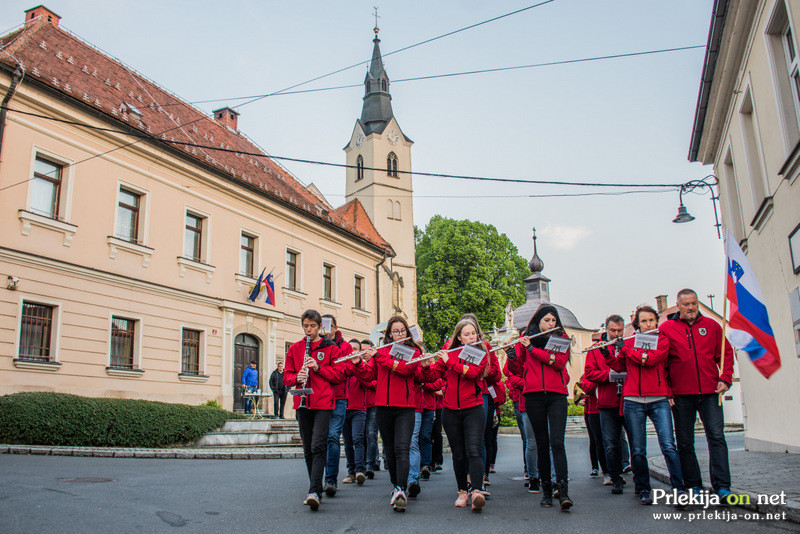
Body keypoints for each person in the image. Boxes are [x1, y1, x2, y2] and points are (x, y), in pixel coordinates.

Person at [604, 306, 685, 505]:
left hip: (658, 399)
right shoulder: (631, 342)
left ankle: (679, 489)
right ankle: (642, 489)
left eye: (651, 320)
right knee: (638, 449)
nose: (648, 324)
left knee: (668, 446)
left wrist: (626, 349)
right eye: (644, 321)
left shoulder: (662, 340)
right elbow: (620, 366)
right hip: (633, 400)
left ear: (656, 321)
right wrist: (608, 353)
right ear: (637, 325)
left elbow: (650, 360)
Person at [661, 289, 734, 498]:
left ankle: (722, 486)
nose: (691, 307)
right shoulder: (667, 329)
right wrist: (667, 391)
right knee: (685, 442)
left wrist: (726, 378)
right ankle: (693, 485)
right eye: (686, 304)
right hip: (681, 395)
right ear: (678, 305)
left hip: (711, 392)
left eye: (694, 303)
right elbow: (662, 363)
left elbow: (726, 354)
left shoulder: (712, 326)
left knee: (717, 437)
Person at [507, 304, 573, 510]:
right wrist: (512, 355)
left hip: (557, 395)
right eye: (547, 321)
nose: (551, 324)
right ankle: (545, 492)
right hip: (533, 396)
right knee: (542, 445)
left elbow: (558, 363)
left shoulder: (561, 339)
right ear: (538, 321)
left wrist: (532, 349)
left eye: (554, 321)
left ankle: (562, 491)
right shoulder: (527, 337)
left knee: (557, 443)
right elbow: (517, 369)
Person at [365, 316, 431, 512]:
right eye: (396, 331)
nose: (399, 334)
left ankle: (402, 489)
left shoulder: (414, 351)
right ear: (389, 334)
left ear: (407, 332)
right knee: (390, 451)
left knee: (402, 448)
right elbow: (369, 376)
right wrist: (359, 363)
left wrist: (381, 358)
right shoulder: (381, 351)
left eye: (402, 330)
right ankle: (396, 486)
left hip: (405, 408)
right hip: (383, 407)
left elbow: (405, 369)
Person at [283, 310, 348, 511]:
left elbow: (339, 376)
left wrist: (318, 368)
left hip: (323, 404)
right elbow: (286, 377)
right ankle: (316, 487)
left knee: (319, 445)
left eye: (312, 326)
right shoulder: (295, 349)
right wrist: (297, 377)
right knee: (308, 448)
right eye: (305, 326)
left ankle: (313, 491)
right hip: (303, 403)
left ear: (319, 327)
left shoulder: (330, 348)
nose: (308, 329)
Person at [430, 318, 490, 512]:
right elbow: (433, 375)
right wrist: (424, 365)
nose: (471, 337)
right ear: (459, 337)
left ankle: (477, 491)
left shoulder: (480, 353)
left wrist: (451, 361)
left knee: (474, 450)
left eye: (474, 333)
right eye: (467, 334)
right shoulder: (450, 353)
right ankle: (462, 492)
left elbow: (472, 374)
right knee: (458, 454)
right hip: (450, 410)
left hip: (473, 408)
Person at [584, 315, 632, 495]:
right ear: (606, 329)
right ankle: (615, 477)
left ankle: (636, 475)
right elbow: (589, 373)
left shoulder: (627, 344)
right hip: (606, 401)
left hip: (628, 400)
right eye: (613, 331)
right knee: (610, 443)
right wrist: (608, 375)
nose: (617, 334)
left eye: (620, 331)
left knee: (633, 440)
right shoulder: (596, 349)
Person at [322, 315, 352, 497]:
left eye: (329, 326)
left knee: (333, 436)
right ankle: (319, 478)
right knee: (321, 439)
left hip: (339, 397)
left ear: (335, 327)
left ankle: (330, 479)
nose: (326, 330)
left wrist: (333, 367)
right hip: (320, 398)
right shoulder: (318, 344)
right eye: (323, 326)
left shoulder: (345, 346)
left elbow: (349, 369)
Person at [504, 357, 539, 493]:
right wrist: (532, 384)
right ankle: (532, 476)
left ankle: (549, 477)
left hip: (542, 400)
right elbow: (510, 375)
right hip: (524, 401)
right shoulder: (518, 356)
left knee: (544, 442)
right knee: (530, 441)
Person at [342, 339, 370, 486]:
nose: (352, 352)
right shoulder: (343, 365)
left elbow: (368, 383)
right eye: (350, 349)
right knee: (347, 442)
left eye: (355, 349)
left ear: (359, 351)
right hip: (344, 408)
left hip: (359, 408)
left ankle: (360, 469)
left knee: (358, 438)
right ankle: (351, 471)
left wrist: (358, 367)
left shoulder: (363, 366)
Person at [578, 374, 608, 484]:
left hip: (603, 408)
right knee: (595, 440)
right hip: (591, 410)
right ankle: (595, 467)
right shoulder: (586, 375)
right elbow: (584, 389)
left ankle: (612, 467)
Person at [361, 339, 380, 478]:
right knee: (362, 436)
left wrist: (367, 383)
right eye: (362, 350)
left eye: (367, 350)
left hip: (373, 403)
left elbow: (378, 382)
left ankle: (370, 464)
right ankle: (369, 461)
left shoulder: (376, 363)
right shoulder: (359, 364)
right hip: (361, 404)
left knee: (371, 434)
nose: (364, 353)